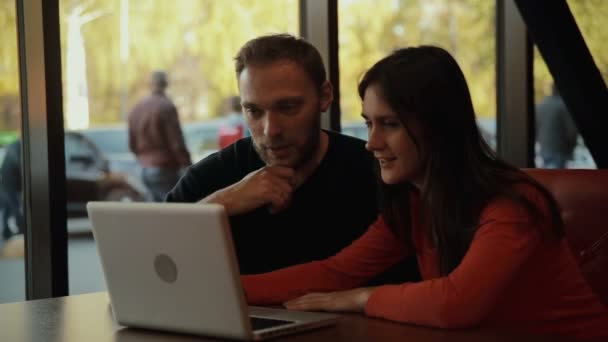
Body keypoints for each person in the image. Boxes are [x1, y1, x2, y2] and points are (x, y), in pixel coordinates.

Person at [240, 46, 608, 341]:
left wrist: (363, 297)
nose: (371, 143)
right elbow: (335, 272)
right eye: (369, 123)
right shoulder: (415, 203)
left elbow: (456, 304)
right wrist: (228, 289)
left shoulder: (514, 205)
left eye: (390, 124)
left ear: (438, 126)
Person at [166, 34, 417, 284]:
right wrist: (223, 203)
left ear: (325, 96)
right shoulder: (209, 179)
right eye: (254, 111)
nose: (270, 130)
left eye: (288, 108)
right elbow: (150, 256)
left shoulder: (376, 174)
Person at [128, 71, 192, 201]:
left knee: (154, 213)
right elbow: (176, 144)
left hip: (143, 170)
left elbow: (132, 144)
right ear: (166, 84)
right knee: (173, 208)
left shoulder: (136, 108)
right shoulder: (166, 107)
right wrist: (190, 167)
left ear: (150, 85)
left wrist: (143, 159)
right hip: (164, 169)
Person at [536, 84, 579, 168]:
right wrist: (572, 146)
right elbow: (572, 130)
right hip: (560, 150)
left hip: (544, 149)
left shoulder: (541, 105)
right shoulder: (563, 106)